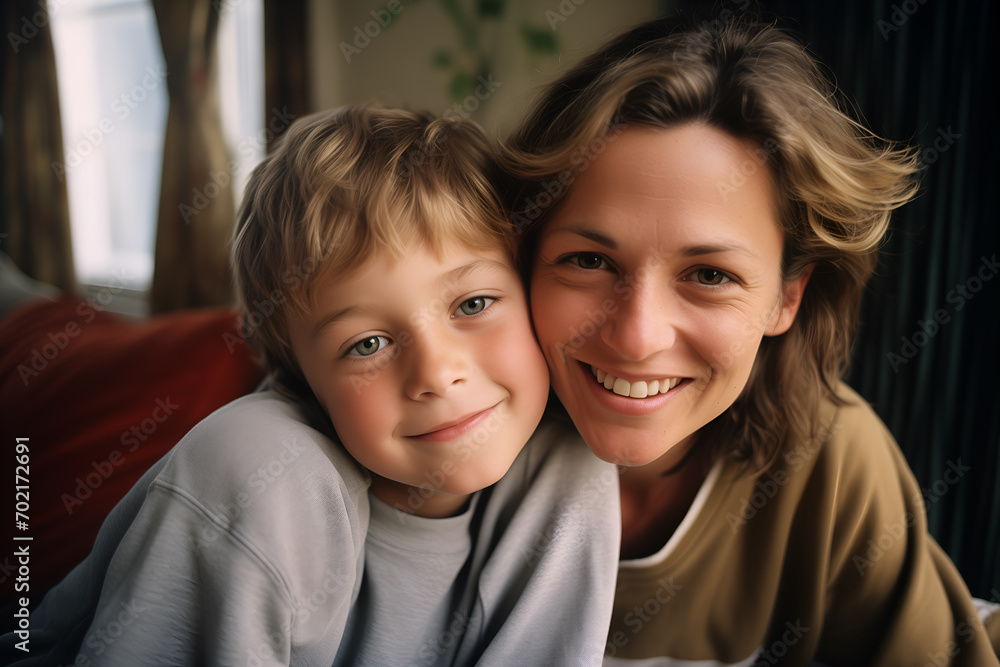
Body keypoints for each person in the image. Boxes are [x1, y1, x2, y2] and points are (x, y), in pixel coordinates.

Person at [2, 106, 620, 666]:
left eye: (475, 302)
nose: (435, 373)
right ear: (301, 379)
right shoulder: (259, 471)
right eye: (367, 345)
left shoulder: (567, 466)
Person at [501, 16, 1000, 665]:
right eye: (589, 261)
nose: (637, 335)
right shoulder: (442, 434)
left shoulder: (833, 462)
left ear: (786, 297)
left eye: (710, 275)